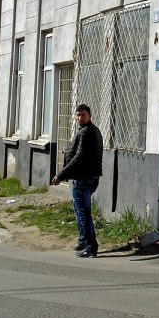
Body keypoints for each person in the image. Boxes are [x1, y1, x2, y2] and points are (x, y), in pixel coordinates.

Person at [51, 104, 104, 257]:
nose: (80, 118)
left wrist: (60, 175)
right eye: (78, 115)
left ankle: (91, 247)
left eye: (83, 115)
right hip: (90, 177)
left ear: (90, 116)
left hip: (83, 179)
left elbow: (79, 157)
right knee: (80, 211)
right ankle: (83, 241)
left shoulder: (86, 132)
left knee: (83, 214)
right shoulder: (91, 130)